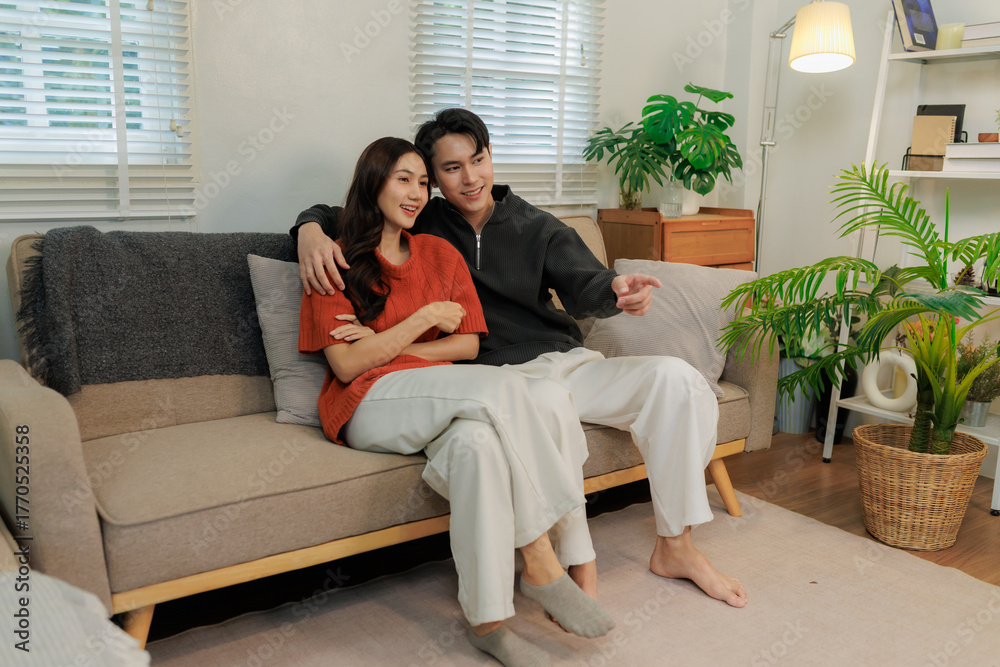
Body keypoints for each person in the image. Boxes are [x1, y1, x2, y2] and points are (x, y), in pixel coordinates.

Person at [293, 110, 749, 610]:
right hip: (490, 382)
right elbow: (350, 210)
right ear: (433, 178)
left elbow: (585, 282)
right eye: (450, 169)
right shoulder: (423, 220)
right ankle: (566, 565)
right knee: (542, 402)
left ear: (491, 156)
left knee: (678, 379)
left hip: (566, 362)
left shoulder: (537, 225)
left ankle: (677, 547)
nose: (470, 178)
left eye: (478, 160)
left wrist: (617, 289)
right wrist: (308, 231)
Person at [299, 136, 614, 666]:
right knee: (510, 387)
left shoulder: (440, 254)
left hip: (438, 393)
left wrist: (383, 345)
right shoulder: (333, 258)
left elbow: (467, 345)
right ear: (373, 183)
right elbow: (348, 366)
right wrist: (422, 320)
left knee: (478, 446)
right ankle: (543, 561)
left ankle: (488, 623)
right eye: (403, 179)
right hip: (365, 403)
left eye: (424, 183)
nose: (416, 193)